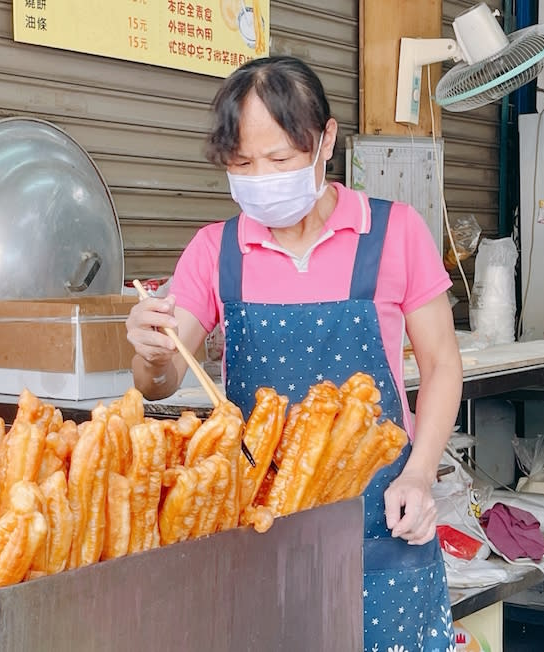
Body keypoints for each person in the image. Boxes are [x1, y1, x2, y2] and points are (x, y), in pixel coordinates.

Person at [125, 56, 462, 652]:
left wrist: (419, 474)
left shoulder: (394, 233)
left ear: (325, 140)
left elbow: (440, 365)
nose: (262, 176)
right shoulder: (215, 250)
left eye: (279, 159)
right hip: (256, 529)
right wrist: (151, 352)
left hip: (381, 522)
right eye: (242, 164)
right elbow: (161, 380)